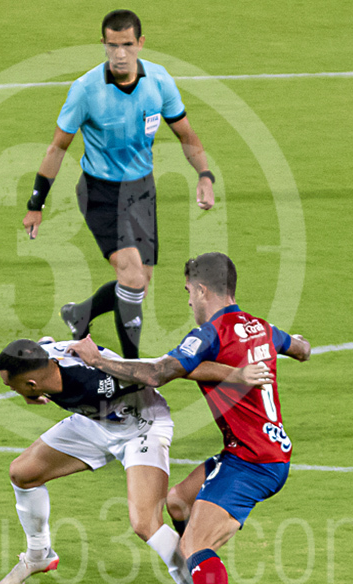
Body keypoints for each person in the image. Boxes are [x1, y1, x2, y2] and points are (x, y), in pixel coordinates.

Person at [70, 252, 311, 584]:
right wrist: (283, 350)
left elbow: (157, 374)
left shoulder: (209, 334)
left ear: (201, 290)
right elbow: (302, 349)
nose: (187, 301)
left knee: (196, 542)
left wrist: (98, 361)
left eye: (187, 292)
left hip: (253, 462)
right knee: (179, 502)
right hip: (255, 449)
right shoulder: (261, 327)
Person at [0, 336, 269, 584]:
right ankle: (39, 554)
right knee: (23, 473)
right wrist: (34, 393)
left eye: (11, 386)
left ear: (30, 382)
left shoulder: (94, 381)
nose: (10, 389)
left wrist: (237, 374)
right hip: (97, 423)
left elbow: (167, 368)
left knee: (146, 524)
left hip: (142, 428)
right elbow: (44, 342)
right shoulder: (44, 359)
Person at [22, 9, 215, 359]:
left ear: (140, 43)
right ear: (103, 44)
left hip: (142, 192)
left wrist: (205, 175)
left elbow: (186, 134)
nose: (120, 54)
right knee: (132, 278)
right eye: (112, 46)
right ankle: (133, 369)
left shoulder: (159, 81)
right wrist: (36, 204)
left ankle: (80, 314)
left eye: (127, 44)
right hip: (100, 192)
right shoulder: (85, 90)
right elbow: (57, 148)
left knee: (141, 283)